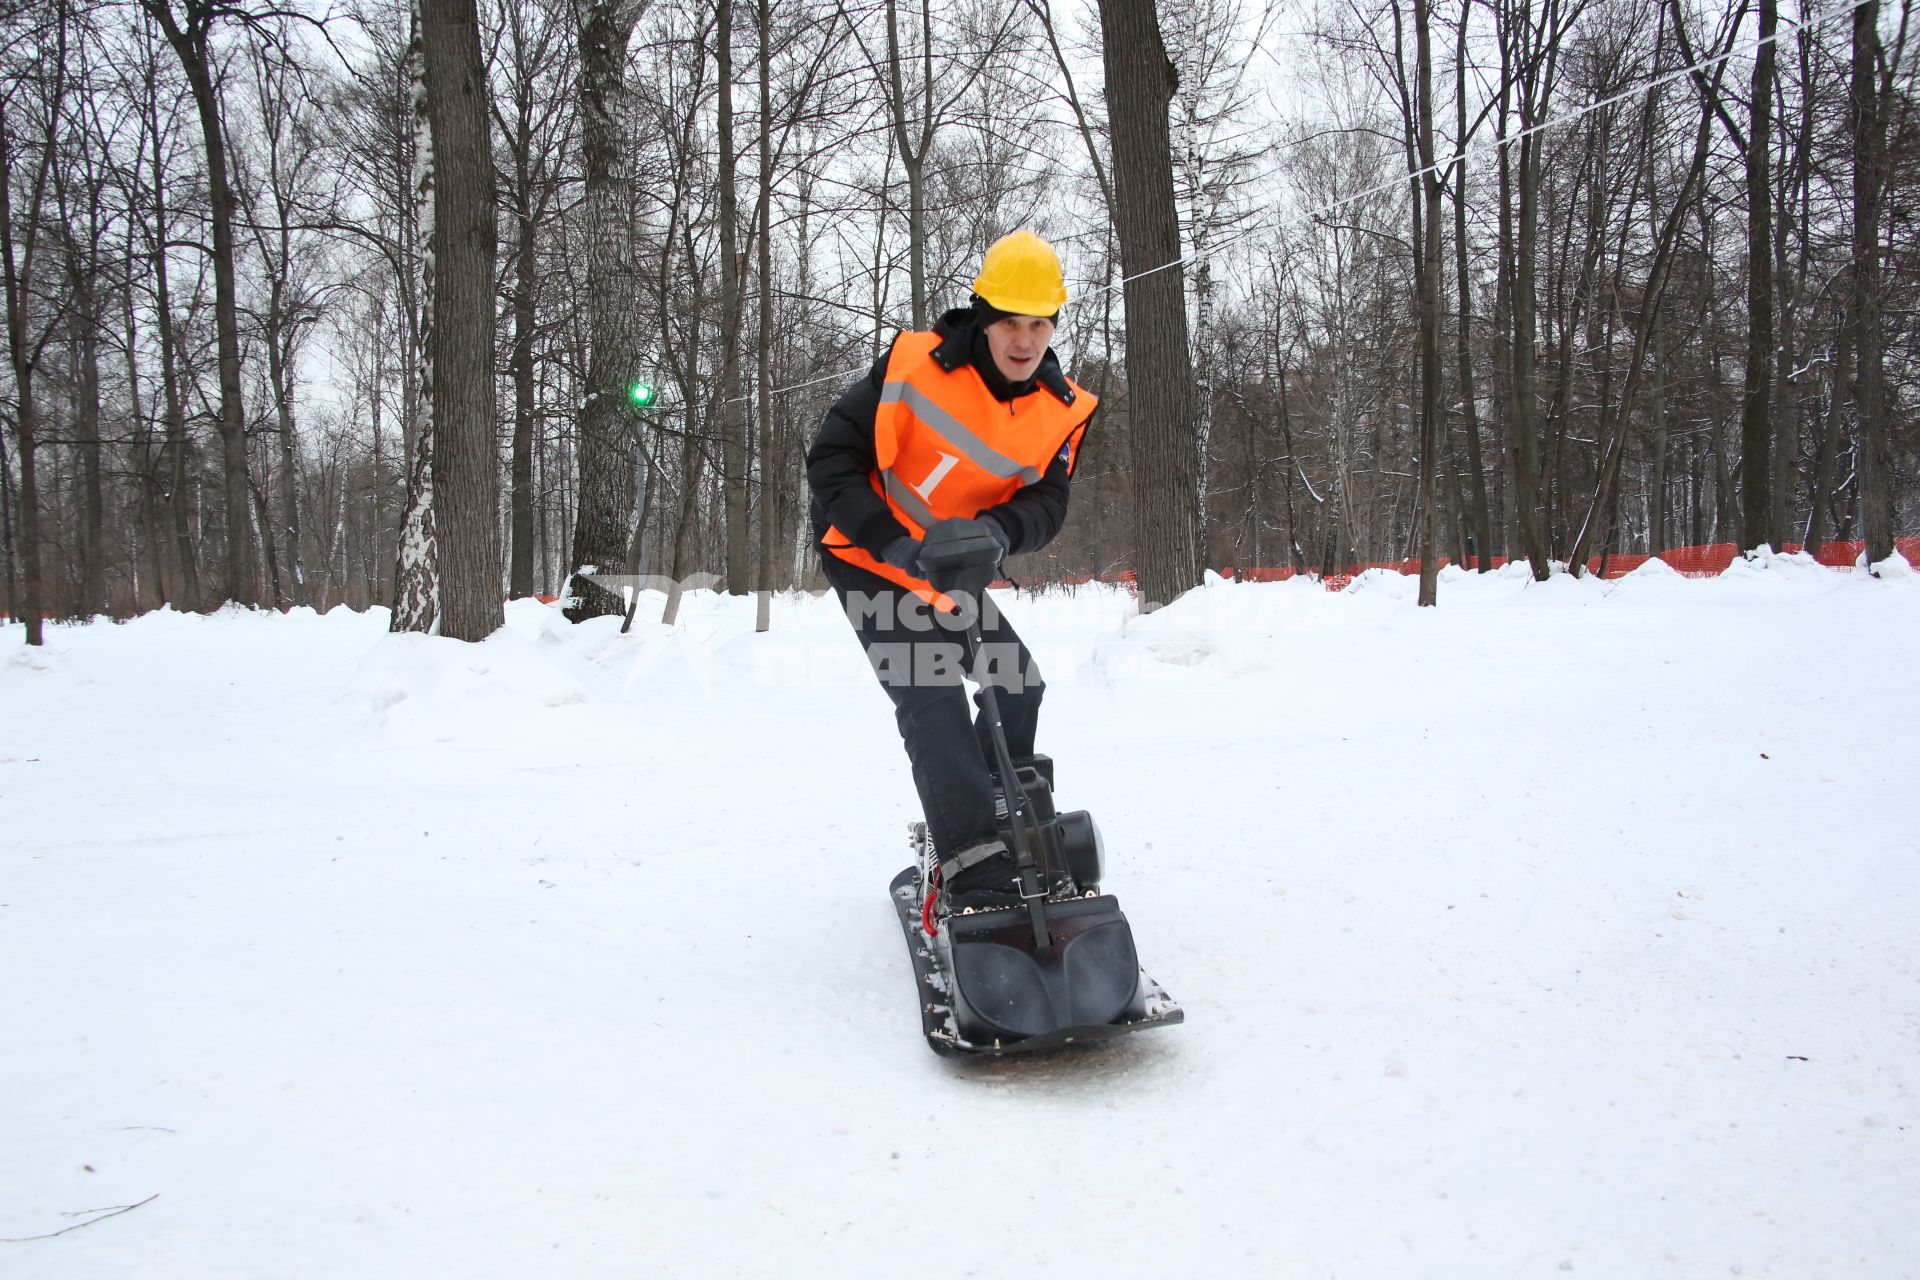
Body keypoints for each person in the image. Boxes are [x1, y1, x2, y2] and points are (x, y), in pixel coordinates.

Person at [806, 230, 1097, 912]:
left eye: (1039, 324)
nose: (1024, 341)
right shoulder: (913, 367)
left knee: (1016, 681)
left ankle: (1003, 815)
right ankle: (970, 861)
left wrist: (998, 531)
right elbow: (829, 463)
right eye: (1009, 323)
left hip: (954, 568)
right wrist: (891, 544)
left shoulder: (1060, 410)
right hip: (870, 558)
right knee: (931, 692)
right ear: (982, 315)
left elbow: (1048, 502)